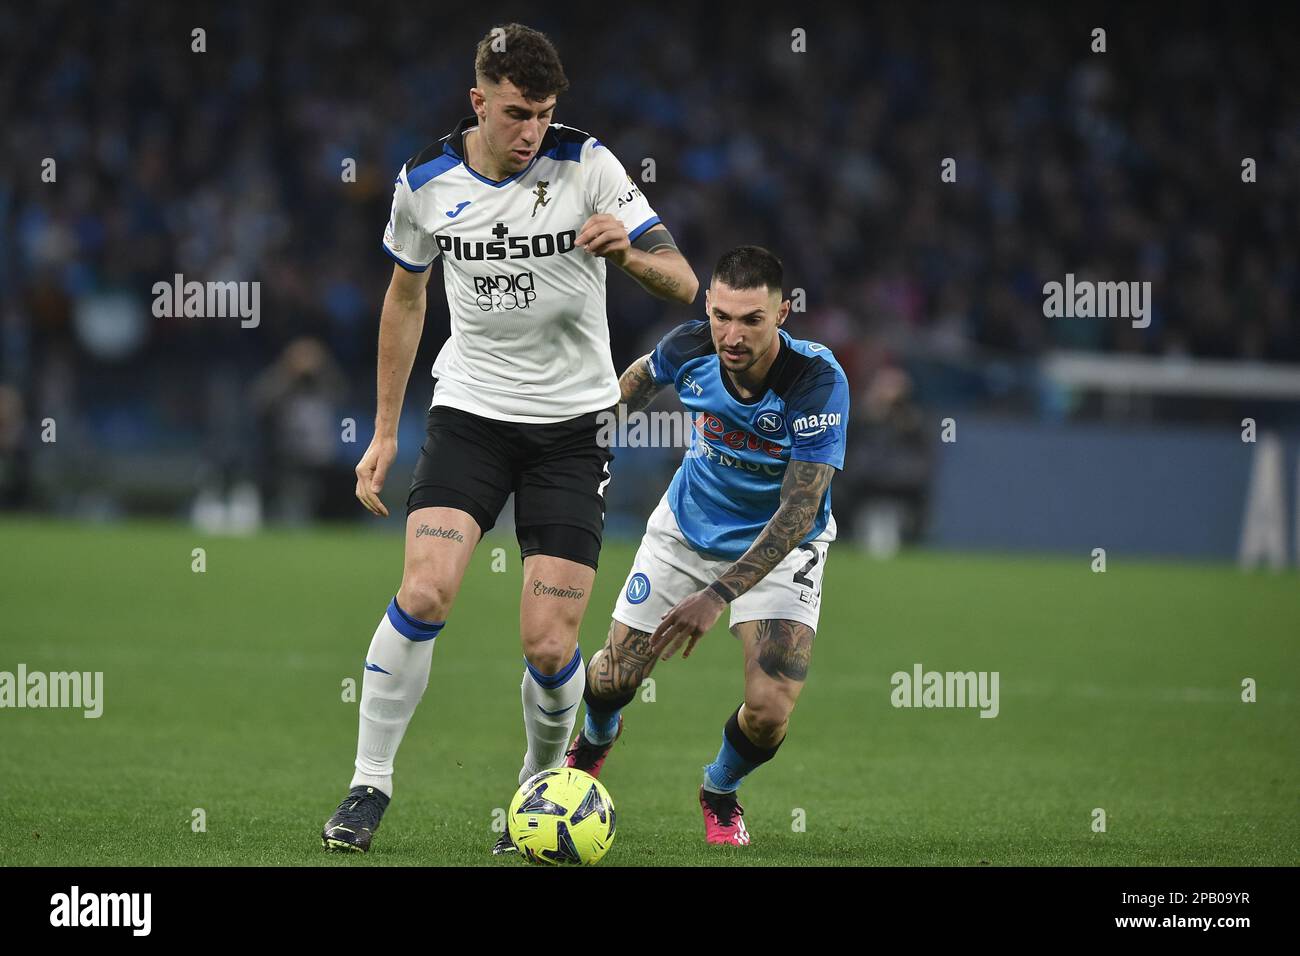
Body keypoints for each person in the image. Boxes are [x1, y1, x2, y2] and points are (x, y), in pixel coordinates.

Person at [321, 22, 699, 854]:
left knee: (550, 640)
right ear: (478, 101)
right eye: (517, 113)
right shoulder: (424, 181)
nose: (532, 132)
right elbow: (406, 299)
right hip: (471, 415)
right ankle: (367, 785)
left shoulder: (588, 164)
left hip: (573, 426)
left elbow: (686, 281)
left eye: (545, 113)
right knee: (424, 592)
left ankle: (537, 789)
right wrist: (386, 430)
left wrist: (628, 256)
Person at [560, 245, 850, 846]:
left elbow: (798, 511)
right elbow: (634, 384)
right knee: (611, 680)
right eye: (721, 315)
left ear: (784, 314)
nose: (732, 335)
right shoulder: (690, 346)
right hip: (685, 530)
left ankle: (719, 789)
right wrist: (582, 447)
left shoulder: (815, 381)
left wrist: (716, 596)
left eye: (752, 319)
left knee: (769, 712)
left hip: (781, 546)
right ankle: (593, 744)